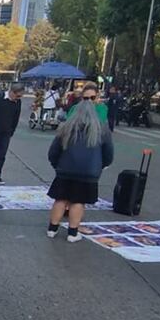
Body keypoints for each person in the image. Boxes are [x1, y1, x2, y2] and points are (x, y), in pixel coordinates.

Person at [46, 99, 114, 243]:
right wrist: (102, 165)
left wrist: (56, 165)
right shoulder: (101, 129)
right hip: (88, 173)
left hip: (65, 170)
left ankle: (52, 229)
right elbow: (108, 153)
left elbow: (54, 151)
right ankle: (72, 233)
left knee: (60, 199)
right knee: (78, 201)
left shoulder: (66, 128)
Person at [0, 84, 22, 183]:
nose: (18, 98)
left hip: (6, 132)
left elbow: (16, 117)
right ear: (11, 92)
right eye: (18, 96)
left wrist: (12, 131)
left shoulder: (18, 102)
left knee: (1, 154)